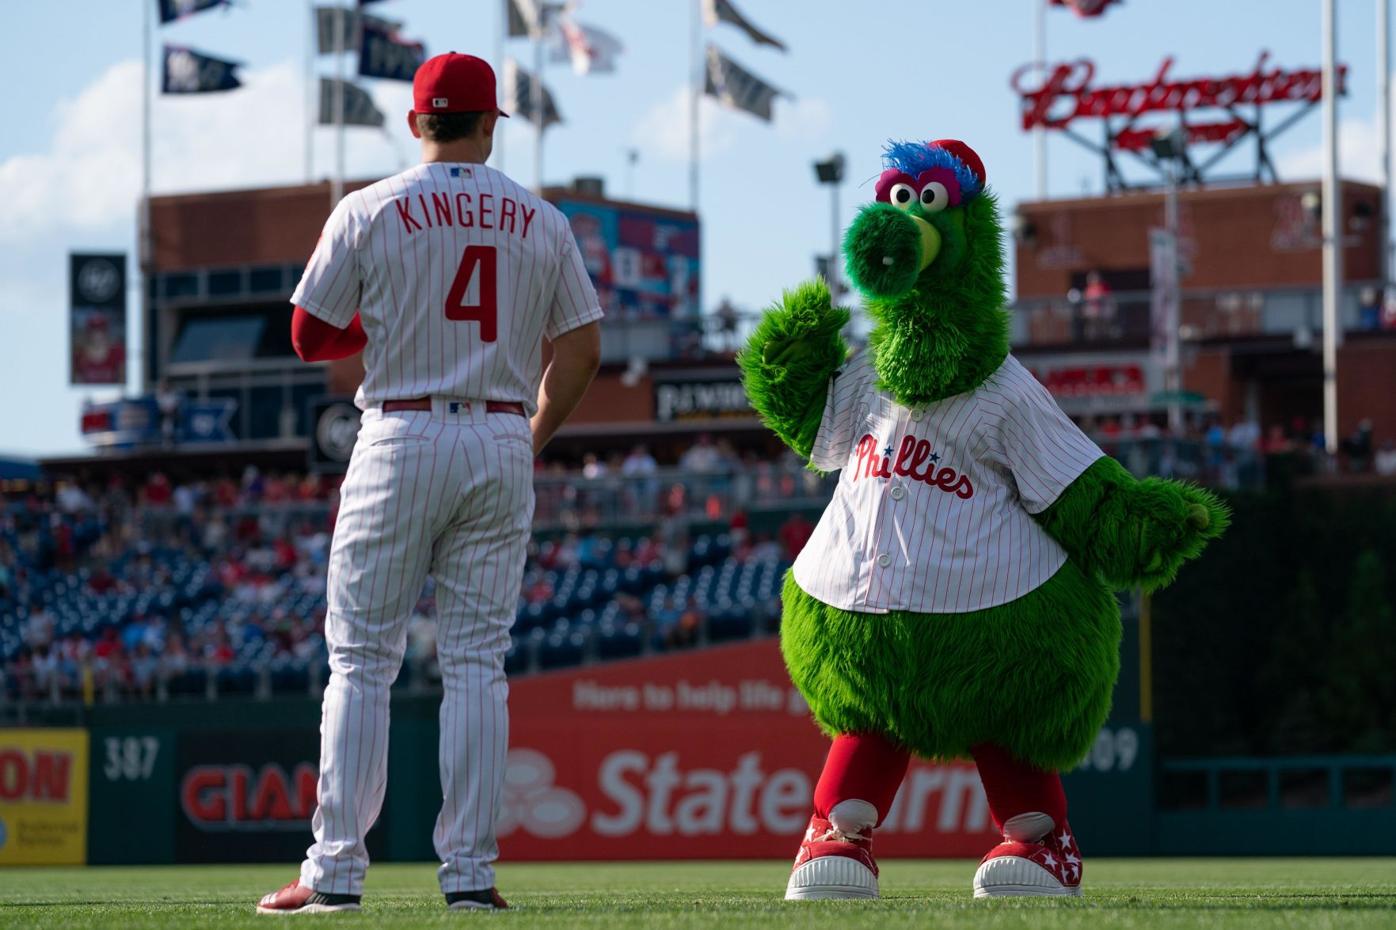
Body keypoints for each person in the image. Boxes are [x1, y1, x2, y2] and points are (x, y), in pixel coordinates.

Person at [257, 53, 602, 915]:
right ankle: (471, 878)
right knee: (479, 663)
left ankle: (335, 874)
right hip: (498, 431)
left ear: (416, 123)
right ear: (489, 125)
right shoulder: (541, 218)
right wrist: (532, 434)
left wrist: (385, 316)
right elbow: (584, 349)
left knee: (362, 661)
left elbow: (307, 335)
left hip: (402, 429)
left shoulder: (369, 207)